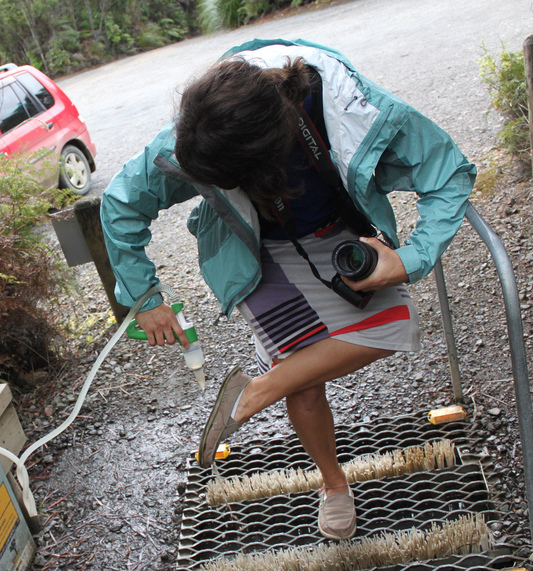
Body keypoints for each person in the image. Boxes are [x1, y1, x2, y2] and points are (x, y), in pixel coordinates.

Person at [99, 38, 475, 540]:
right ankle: (334, 484)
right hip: (255, 248)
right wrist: (144, 298)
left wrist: (409, 259)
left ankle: (260, 388)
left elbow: (450, 171)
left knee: (395, 326)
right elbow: (122, 201)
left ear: (268, 154)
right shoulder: (204, 129)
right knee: (304, 380)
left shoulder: (351, 107)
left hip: (334, 231)